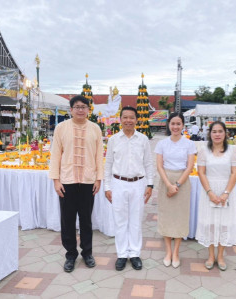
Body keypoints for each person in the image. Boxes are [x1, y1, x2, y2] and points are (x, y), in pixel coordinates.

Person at [49, 95, 103, 272]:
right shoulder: (61, 128)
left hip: (88, 181)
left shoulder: (95, 129)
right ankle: (70, 254)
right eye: (77, 107)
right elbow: (55, 155)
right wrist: (56, 181)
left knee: (86, 220)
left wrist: (98, 179)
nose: (81, 110)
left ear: (88, 110)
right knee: (68, 220)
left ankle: (87, 253)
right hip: (67, 181)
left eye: (84, 107)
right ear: (71, 109)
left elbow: (98, 156)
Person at [104, 106, 154, 271]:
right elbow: (108, 164)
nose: (128, 120)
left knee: (135, 220)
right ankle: (121, 254)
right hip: (118, 182)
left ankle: (134, 254)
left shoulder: (143, 139)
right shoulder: (113, 140)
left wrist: (150, 184)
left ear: (136, 120)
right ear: (120, 120)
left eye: (131, 117)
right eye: (125, 117)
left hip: (138, 183)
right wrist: (107, 186)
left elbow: (148, 163)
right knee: (120, 220)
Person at [196, 121, 236, 271]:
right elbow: (201, 172)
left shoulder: (233, 150)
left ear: (225, 133)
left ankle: (220, 256)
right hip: (208, 190)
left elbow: (235, 172)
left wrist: (225, 193)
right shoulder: (203, 150)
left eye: (220, 131)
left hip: (226, 191)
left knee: (224, 223)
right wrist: (210, 193)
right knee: (209, 223)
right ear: (210, 134)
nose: (217, 134)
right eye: (214, 131)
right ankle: (210, 255)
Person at [155, 112, 196, 268]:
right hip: (166, 179)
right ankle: (168, 252)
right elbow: (159, 165)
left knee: (180, 216)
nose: (175, 127)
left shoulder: (189, 144)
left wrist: (177, 185)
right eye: (173, 123)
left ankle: (177, 252)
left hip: (182, 182)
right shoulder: (162, 144)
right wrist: (168, 185)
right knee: (166, 216)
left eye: (178, 124)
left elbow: (190, 166)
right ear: (168, 124)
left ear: (183, 125)